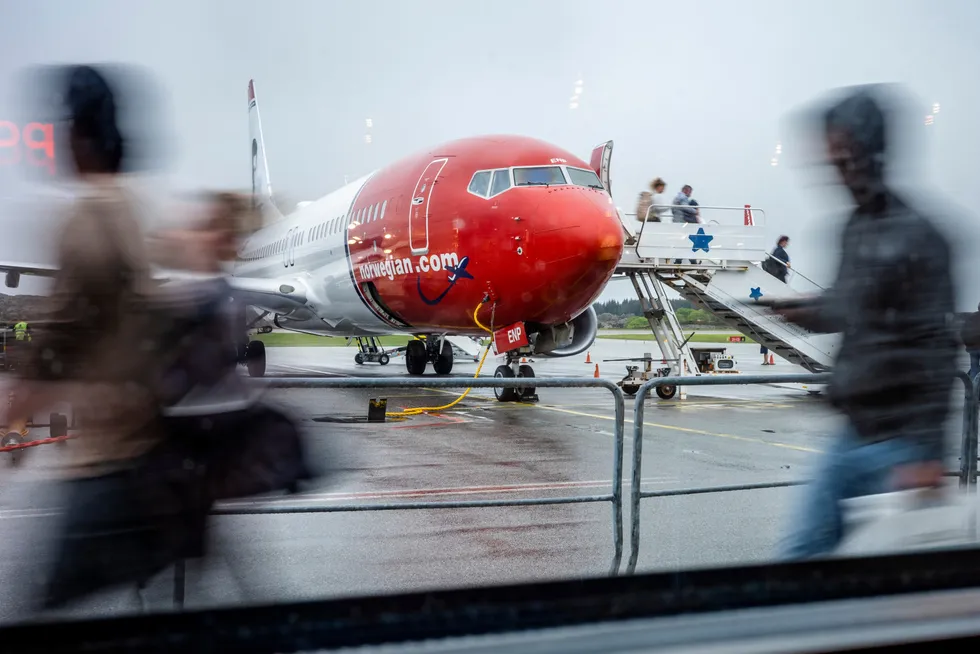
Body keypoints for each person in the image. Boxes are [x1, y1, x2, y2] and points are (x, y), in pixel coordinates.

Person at [773, 85, 958, 560]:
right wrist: (807, 312)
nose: (836, 168)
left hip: (900, 445)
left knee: (881, 586)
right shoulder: (857, 228)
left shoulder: (921, 235)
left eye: (844, 154)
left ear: (871, 149)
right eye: (831, 157)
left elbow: (935, 345)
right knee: (801, 556)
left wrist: (929, 452)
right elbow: (848, 308)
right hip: (852, 431)